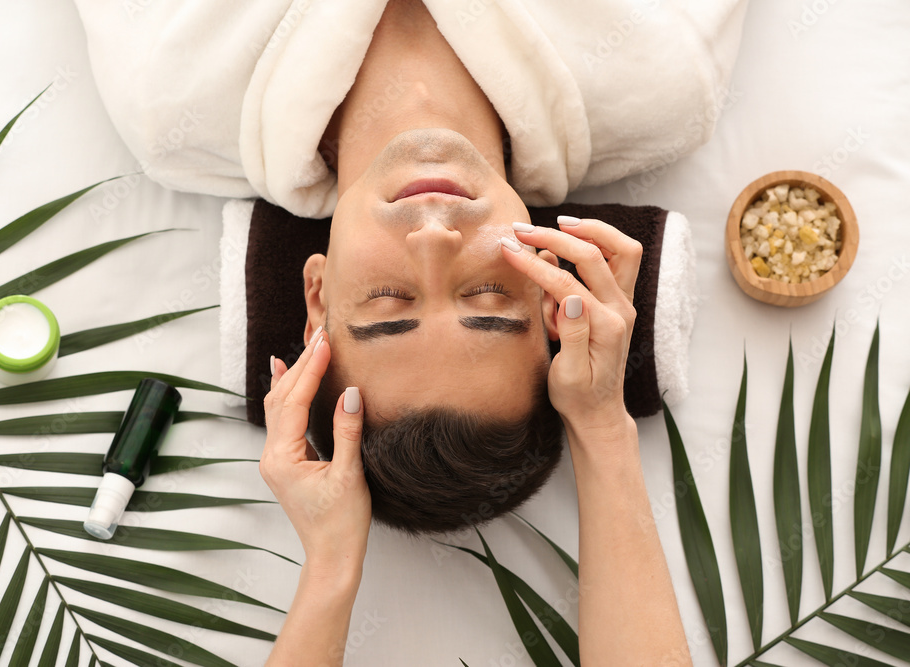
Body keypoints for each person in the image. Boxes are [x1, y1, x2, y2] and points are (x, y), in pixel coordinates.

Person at [259, 2, 692, 662]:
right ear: (555, 289)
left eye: (389, 301)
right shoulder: (656, 68)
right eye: (490, 294)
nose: (433, 236)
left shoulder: (168, 85)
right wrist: (600, 422)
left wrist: (329, 568)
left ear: (316, 294)